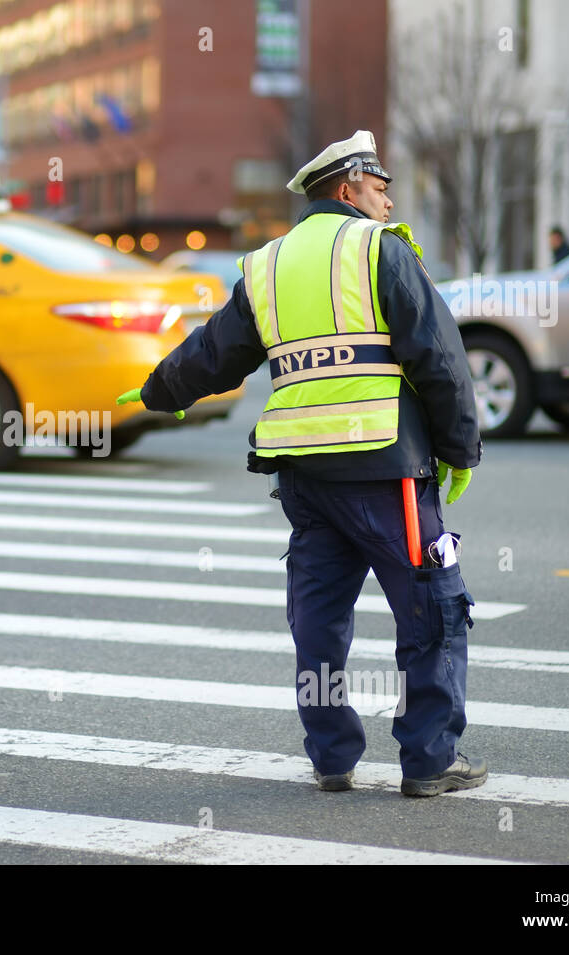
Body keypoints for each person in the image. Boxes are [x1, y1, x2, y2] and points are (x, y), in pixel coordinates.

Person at [116, 130, 485, 797]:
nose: (386, 201)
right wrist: (460, 449)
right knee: (434, 607)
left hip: (305, 479)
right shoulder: (381, 250)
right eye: (379, 188)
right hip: (384, 467)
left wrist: (156, 391)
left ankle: (332, 756)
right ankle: (430, 759)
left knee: (318, 618)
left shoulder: (267, 265)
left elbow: (215, 353)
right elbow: (440, 357)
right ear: (347, 189)